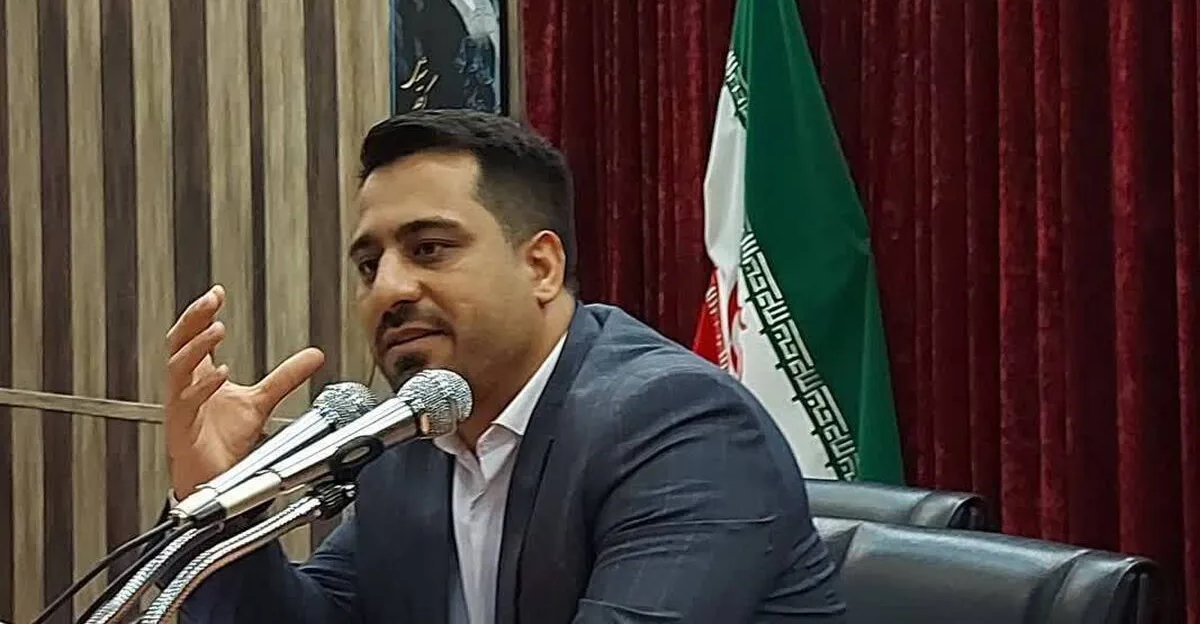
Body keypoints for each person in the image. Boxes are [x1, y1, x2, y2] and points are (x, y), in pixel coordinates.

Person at [165, 109, 848, 623]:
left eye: (429, 249)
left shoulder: (679, 426)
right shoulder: (412, 437)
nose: (388, 289)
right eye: (369, 265)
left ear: (541, 266)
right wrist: (216, 504)